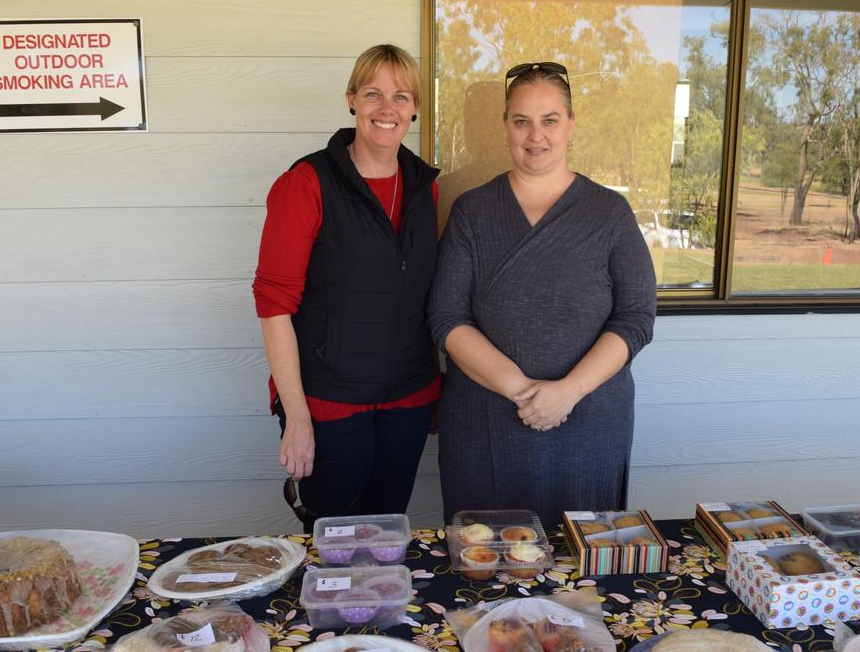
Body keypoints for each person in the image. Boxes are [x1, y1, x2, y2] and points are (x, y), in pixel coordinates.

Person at [427, 61, 656, 528]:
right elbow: (446, 317)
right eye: (522, 121)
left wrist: (566, 393)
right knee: (485, 565)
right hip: (486, 422)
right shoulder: (473, 211)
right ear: (505, 128)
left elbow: (635, 318)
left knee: (580, 575)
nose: (537, 135)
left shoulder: (610, 213)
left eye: (550, 120)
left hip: (588, 423)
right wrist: (525, 393)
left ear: (570, 126)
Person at [253, 44, 441, 533]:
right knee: (334, 544)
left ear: (415, 108)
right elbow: (274, 306)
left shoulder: (426, 187)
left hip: (408, 401)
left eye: (401, 96)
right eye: (374, 93)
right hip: (330, 405)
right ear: (351, 99)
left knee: (385, 536)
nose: (387, 108)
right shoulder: (307, 183)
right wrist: (296, 417)